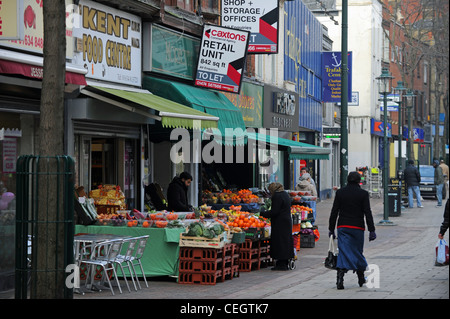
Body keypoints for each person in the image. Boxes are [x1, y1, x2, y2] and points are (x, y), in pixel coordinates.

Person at [328, 171, 376, 290]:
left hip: (343, 227)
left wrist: (331, 228)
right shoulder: (363, 194)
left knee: (343, 251)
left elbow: (334, 211)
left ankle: (340, 277)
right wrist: (372, 230)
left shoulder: (340, 193)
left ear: (347, 180)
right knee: (357, 251)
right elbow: (367, 212)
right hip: (357, 227)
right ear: (359, 181)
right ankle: (360, 277)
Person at [260, 182, 294, 270]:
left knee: (279, 242)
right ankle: (285, 261)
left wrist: (263, 213)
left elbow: (274, 211)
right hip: (286, 221)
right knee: (285, 241)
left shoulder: (277, 196)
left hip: (280, 223)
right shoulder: (285, 194)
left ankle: (281, 264)